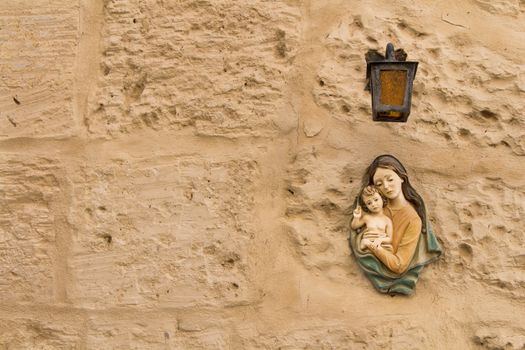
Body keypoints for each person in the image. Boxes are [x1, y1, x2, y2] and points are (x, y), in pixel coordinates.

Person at [349, 154, 442, 295]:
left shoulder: (412, 219)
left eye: (390, 179)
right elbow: (357, 229)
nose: (386, 186)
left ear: (402, 177)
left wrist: (374, 247)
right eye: (379, 184)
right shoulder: (375, 208)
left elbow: (399, 265)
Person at [351, 186, 392, 251]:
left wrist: (380, 240)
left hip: (381, 245)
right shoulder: (367, 218)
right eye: (369, 203)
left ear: (382, 198)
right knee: (365, 242)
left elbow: (389, 238)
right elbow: (354, 226)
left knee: (389, 249)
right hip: (368, 243)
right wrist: (356, 217)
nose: (373, 204)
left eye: (376, 200)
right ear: (366, 206)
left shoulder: (387, 220)